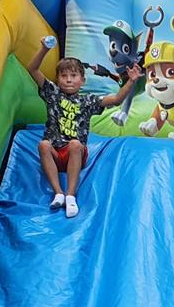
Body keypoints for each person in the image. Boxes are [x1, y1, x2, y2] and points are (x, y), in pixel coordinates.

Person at [29, 35, 140, 218]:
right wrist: (44, 49)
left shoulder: (87, 101)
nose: (69, 80)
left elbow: (116, 99)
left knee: (75, 144)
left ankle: (71, 196)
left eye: (73, 76)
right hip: (56, 154)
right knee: (43, 145)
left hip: (76, 153)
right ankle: (58, 193)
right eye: (64, 76)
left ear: (83, 81)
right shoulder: (52, 94)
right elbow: (32, 69)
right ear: (57, 79)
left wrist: (131, 80)